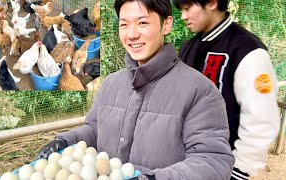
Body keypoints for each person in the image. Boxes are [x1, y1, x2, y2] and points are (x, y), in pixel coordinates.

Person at [37, 0, 234, 179]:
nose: (131, 34)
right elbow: (95, 130)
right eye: (124, 24)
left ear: (166, 25)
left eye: (142, 23)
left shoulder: (199, 91)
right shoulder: (111, 84)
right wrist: (65, 141)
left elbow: (213, 162)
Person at [173, 0, 280, 179]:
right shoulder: (187, 48)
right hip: (186, 164)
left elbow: (262, 120)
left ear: (212, 3)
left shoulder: (249, 51)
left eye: (188, 8)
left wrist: (239, 171)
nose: (183, 16)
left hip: (223, 168)